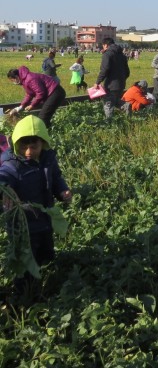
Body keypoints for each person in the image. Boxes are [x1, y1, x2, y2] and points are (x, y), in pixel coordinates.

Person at [0, 116, 72, 290]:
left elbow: (55, 179)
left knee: (46, 250)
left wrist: (62, 191)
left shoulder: (48, 159)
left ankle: (49, 277)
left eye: (34, 147)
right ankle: (25, 290)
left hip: (45, 216)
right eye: (24, 146)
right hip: (22, 224)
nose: (28, 152)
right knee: (25, 258)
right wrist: (4, 188)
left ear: (43, 144)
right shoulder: (12, 165)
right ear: (16, 144)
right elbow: (2, 177)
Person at [93, 37, 130, 119]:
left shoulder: (107, 54)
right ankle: (126, 105)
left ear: (106, 45)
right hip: (121, 84)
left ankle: (109, 123)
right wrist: (122, 79)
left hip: (110, 85)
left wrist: (97, 82)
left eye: (103, 46)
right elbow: (127, 72)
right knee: (116, 101)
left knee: (108, 105)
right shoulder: (122, 55)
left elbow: (104, 70)